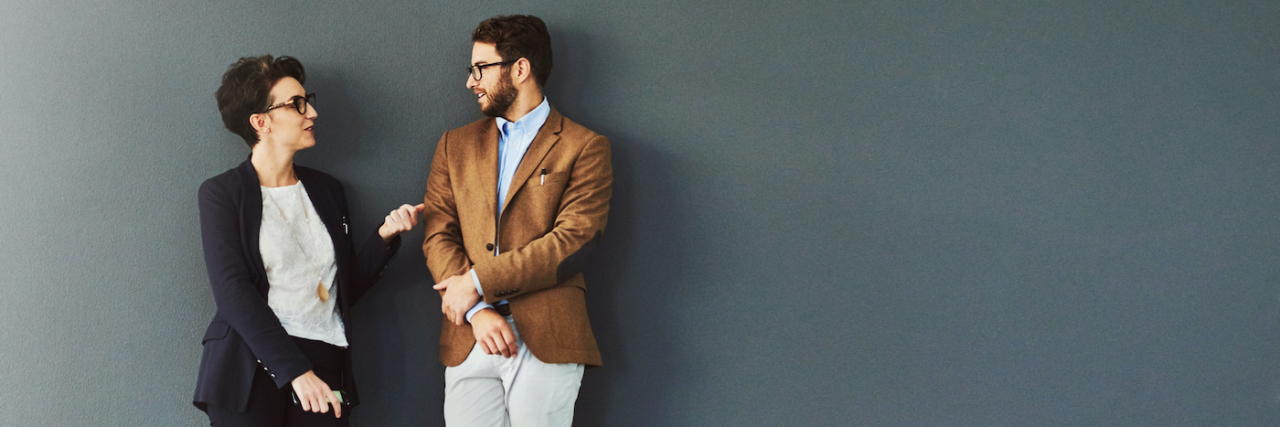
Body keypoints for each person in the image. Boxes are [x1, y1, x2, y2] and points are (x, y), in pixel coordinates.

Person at [193, 55, 423, 426]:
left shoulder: (327, 191)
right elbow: (232, 292)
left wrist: (384, 239)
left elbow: (338, 290)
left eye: (307, 100)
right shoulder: (222, 194)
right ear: (261, 122)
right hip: (250, 366)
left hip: (325, 361)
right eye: (297, 104)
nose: (311, 112)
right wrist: (295, 372)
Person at [422, 15, 612, 427]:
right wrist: (476, 311)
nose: (471, 82)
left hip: (548, 334)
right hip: (470, 336)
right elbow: (439, 233)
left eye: (480, 69)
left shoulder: (585, 147)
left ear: (520, 69)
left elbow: (574, 240)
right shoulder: (454, 145)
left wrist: (476, 283)